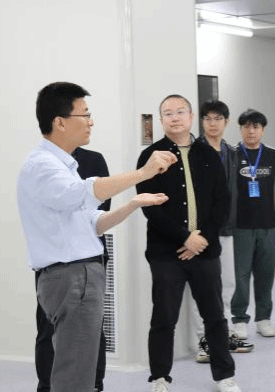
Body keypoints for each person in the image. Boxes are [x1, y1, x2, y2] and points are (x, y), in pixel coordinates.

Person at [18, 82, 174, 392]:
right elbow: (80, 194)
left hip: (79, 275)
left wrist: (133, 203)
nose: (91, 122)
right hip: (71, 278)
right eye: (85, 114)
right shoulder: (42, 166)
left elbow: (93, 223)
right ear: (60, 122)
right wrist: (143, 174)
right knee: (75, 377)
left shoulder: (63, 165)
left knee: (81, 371)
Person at [136, 94, 240, 392]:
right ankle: (159, 378)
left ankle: (224, 376)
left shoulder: (208, 154)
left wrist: (202, 238)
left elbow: (222, 201)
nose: (175, 117)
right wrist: (185, 238)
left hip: (205, 251)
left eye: (180, 111)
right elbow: (149, 206)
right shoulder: (150, 156)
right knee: (164, 318)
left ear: (191, 117)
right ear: (161, 120)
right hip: (166, 253)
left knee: (215, 316)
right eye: (168, 113)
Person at [35, 146, 111, 392]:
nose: (88, 126)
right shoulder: (42, 163)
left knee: (92, 329)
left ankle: (94, 385)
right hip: (52, 260)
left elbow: (100, 210)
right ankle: (46, 386)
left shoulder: (93, 160)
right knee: (47, 327)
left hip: (90, 259)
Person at [194, 100, 253, 364]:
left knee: (228, 283)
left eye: (218, 118)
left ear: (226, 122)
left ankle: (224, 334)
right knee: (203, 286)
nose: (213, 123)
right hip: (201, 231)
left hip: (227, 228)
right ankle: (204, 340)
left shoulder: (232, 153)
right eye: (208, 118)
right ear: (202, 122)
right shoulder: (195, 152)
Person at [231, 109, 275, 339]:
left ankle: (264, 318)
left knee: (266, 274)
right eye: (246, 126)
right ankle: (239, 319)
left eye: (256, 126)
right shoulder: (232, 155)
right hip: (240, 226)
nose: (251, 131)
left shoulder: (274, 156)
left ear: (263, 130)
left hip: (268, 226)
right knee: (241, 275)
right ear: (240, 129)